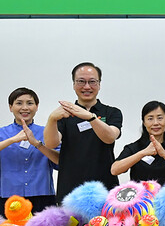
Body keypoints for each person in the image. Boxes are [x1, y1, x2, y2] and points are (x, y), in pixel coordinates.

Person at [0, 87, 59, 215]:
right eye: (19, 103)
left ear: (37, 106)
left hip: (43, 198)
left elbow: (62, 160)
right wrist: (11, 140)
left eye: (30, 103)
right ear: (10, 107)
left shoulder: (47, 132)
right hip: (8, 200)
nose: (25, 108)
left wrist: (37, 144)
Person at [44, 62, 123, 201]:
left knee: (105, 223)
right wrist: (51, 119)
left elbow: (110, 137)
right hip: (70, 189)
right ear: (74, 84)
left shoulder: (112, 112)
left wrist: (90, 117)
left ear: (99, 84)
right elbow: (51, 143)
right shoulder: (64, 114)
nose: (87, 86)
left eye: (92, 82)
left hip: (104, 187)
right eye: (81, 81)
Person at [112, 101, 165, 184]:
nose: (156, 123)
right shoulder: (133, 148)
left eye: (160, 118)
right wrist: (142, 153)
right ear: (144, 123)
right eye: (150, 118)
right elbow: (114, 170)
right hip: (142, 196)